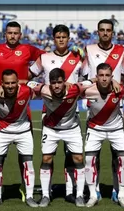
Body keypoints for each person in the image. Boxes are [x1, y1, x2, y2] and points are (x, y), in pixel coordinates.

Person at [29, 24, 83, 203]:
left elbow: (88, 78)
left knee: (72, 156)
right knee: (47, 157)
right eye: (58, 37)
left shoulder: (78, 57)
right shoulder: (44, 58)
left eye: (64, 37)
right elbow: (29, 76)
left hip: (70, 113)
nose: (61, 40)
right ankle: (46, 193)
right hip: (50, 114)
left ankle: (71, 191)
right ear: (54, 39)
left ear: (69, 39)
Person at [82, 18, 124, 202]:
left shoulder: (121, 50)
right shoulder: (89, 50)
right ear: (97, 32)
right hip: (94, 107)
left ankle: (117, 190)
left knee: (119, 155)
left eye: (109, 30)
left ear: (113, 33)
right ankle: (96, 189)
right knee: (94, 155)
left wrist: (118, 85)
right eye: (102, 30)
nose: (106, 33)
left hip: (115, 107)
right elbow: (84, 75)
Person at [30, 68, 88, 207]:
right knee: (46, 159)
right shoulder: (44, 90)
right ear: (49, 83)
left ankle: (79, 194)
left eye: (60, 82)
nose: (56, 86)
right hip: (51, 129)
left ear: (65, 82)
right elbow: (29, 84)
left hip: (72, 129)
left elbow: (91, 82)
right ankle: (45, 195)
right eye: (54, 83)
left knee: (78, 159)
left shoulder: (75, 89)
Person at [0, 69, 38, 208]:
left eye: (13, 83)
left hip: (23, 130)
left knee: (28, 163)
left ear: (18, 83)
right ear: (2, 83)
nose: (10, 86)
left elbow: (44, 87)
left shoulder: (27, 91)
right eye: (7, 83)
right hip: (2, 130)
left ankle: (30, 196)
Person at [83, 63, 124, 208]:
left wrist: (117, 83)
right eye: (101, 75)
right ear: (96, 77)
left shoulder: (120, 90)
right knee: (90, 159)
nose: (104, 79)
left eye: (107, 76)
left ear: (112, 77)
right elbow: (73, 90)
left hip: (116, 129)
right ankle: (92, 195)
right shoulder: (88, 91)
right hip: (95, 128)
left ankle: (121, 195)